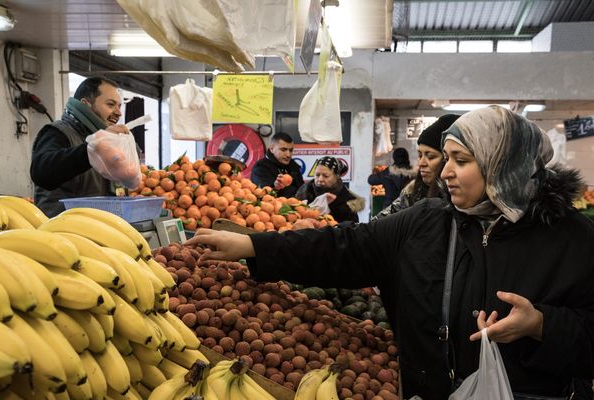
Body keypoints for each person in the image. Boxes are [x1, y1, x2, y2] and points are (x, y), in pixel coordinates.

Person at [188, 106, 594, 399]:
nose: (445, 171)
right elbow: (345, 247)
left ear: (506, 166)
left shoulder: (573, 239)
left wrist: (542, 325)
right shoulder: (426, 222)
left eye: (462, 160)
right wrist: (252, 245)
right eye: (446, 158)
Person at [31, 76, 129, 217]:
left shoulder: (104, 139)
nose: (118, 112)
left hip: (96, 227)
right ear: (85, 104)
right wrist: (91, 150)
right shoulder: (57, 132)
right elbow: (41, 172)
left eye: (119, 106)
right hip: (62, 231)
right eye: (110, 104)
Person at [374, 114, 460, 219]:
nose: (421, 163)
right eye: (420, 155)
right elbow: (381, 224)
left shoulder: (462, 201)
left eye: (431, 156)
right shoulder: (412, 193)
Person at [295, 156, 365, 223]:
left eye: (326, 176)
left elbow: (351, 230)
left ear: (337, 177)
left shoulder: (347, 202)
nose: (320, 179)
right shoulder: (304, 193)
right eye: (317, 175)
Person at [251, 132, 303, 198]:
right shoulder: (260, 168)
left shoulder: (293, 166)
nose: (288, 154)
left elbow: (301, 190)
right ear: (272, 149)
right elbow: (263, 196)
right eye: (283, 150)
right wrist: (275, 187)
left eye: (291, 150)